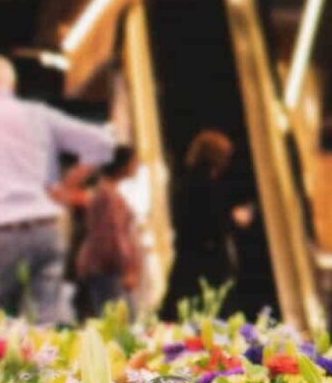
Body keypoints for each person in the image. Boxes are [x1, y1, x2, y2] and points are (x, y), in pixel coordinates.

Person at [0, 55, 116, 321]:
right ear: (10, 86)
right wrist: (64, 186)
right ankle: (47, 362)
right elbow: (102, 143)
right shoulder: (37, 115)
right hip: (44, 229)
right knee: (46, 318)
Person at [163, 128, 252, 315]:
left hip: (189, 260)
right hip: (206, 262)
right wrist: (234, 218)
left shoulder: (184, 181)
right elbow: (210, 222)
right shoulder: (205, 185)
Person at [75, 148, 143, 315]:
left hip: (109, 269)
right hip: (109, 270)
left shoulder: (108, 192)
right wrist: (127, 268)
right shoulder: (107, 194)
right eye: (134, 162)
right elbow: (112, 235)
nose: (136, 167)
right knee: (122, 323)